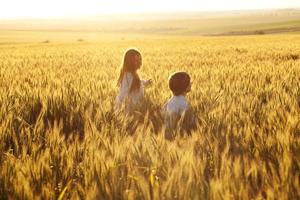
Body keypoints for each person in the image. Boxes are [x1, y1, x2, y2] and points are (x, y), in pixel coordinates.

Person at [114, 48, 152, 113]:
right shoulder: (128, 76)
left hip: (130, 108)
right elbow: (124, 94)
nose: (139, 62)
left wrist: (145, 83)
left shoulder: (129, 74)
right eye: (136, 60)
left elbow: (138, 82)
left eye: (140, 59)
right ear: (129, 62)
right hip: (129, 110)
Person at [162, 71, 196, 139]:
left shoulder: (168, 102)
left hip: (168, 136)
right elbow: (190, 123)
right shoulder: (184, 104)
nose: (191, 83)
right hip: (180, 137)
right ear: (184, 86)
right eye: (189, 82)